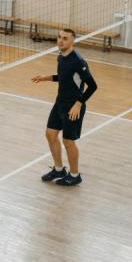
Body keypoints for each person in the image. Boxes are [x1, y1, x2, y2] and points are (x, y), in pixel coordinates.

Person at [32, 28, 97, 186]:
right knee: (50, 134)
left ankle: (74, 175)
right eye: (59, 37)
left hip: (73, 105)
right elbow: (64, 77)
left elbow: (93, 86)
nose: (61, 41)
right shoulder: (61, 57)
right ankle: (59, 169)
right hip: (60, 102)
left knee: (68, 141)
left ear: (72, 41)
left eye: (65, 38)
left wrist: (78, 104)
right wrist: (46, 78)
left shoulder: (78, 62)